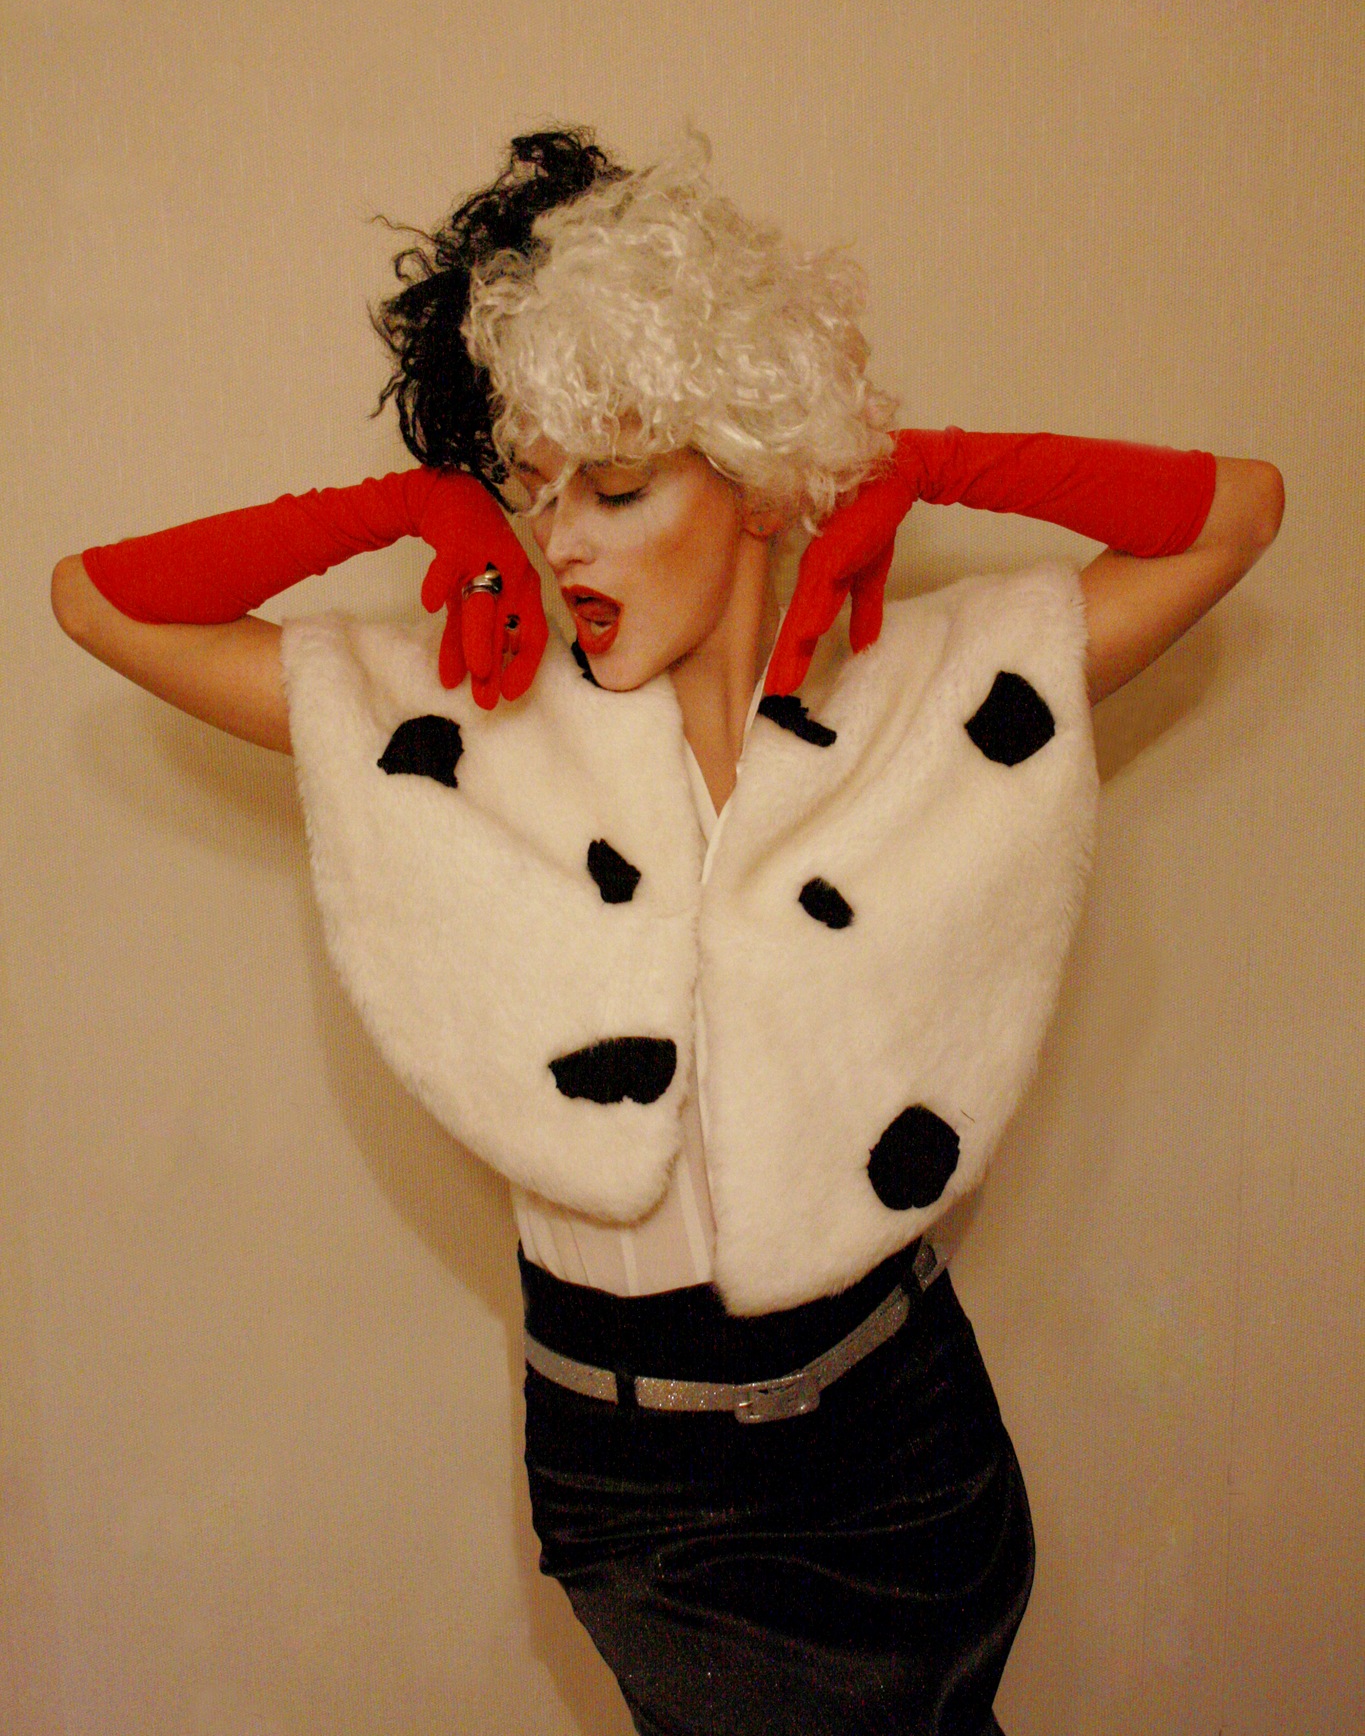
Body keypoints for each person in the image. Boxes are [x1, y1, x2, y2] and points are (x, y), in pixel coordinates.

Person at [51, 128, 1284, 1736]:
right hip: (646, 1488)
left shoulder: (925, 693)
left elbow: (1238, 513)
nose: (560, 541)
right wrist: (401, 508)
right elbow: (96, 598)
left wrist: (923, 466)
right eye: (534, 493)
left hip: (908, 1436)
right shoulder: (457, 725)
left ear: (758, 478)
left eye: (618, 489)